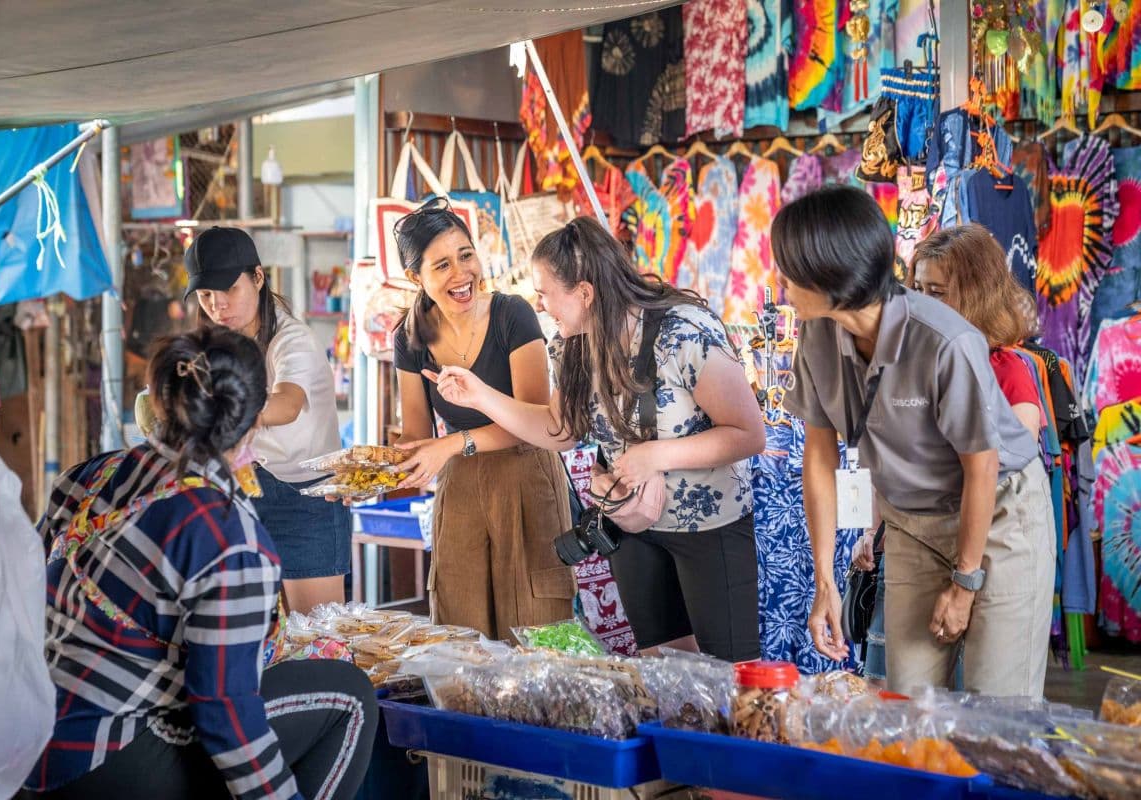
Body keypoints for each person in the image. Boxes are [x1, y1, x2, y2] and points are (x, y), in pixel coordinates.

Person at [22, 328, 377, 800]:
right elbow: (222, 710)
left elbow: (26, 597)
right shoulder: (230, 535)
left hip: (25, 737)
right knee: (348, 696)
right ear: (253, 423)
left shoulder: (88, 475)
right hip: (109, 760)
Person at [430, 216, 766, 661]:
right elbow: (560, 430)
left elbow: (749, 434)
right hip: (632, 527)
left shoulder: (682, 332)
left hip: (707, 526)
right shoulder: (574, 344)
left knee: (731, 674)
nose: (541, 304)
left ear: (584, 293)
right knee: (665, 670)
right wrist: (479, 396)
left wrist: (655, 455)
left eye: (546, 292)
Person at [774, 186, 1055, 698]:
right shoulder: (815, 336)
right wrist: (824, 581)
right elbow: (818, 459)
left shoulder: (945, 340)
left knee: (998, 709)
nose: (782, 283)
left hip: (998, 515)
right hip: (912, 521)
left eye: (790, 270)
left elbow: (982, 467)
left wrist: (965, 583)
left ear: (830, 272)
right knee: (908, 703)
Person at [851, 223, 1046, 686]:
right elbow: (893, 456)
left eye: (936, 292)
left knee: (996, 696)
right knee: (909, 692)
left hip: (993, 529)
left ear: (975, 294)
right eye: (915, 288)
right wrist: (873, 526)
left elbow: (996, 465)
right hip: (921, 531)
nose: (919, 302)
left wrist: (965, 580)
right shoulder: (903, 356)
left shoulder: (1009, 368)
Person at [391, 197, 575, 640]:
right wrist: (373, 474)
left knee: (536, 631)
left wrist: (453, 444)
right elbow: (418, 436)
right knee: (461, 631)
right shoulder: (410, 338)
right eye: (442, 266)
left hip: (527, 476)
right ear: (416, 277)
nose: (461, 274)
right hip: (461, 493)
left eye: (466, 255)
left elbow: (534, 420)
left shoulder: (513, 314)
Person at [186, 226, 350, 613]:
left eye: (229, 289)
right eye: (206, 295)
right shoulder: (215, 345)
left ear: (258, 277)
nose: (217, 305)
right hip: (242, 493)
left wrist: (225, 409)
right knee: (255, 639)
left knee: (317, 641)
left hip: (305, 497)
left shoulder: (293, 339)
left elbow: (287, 404)